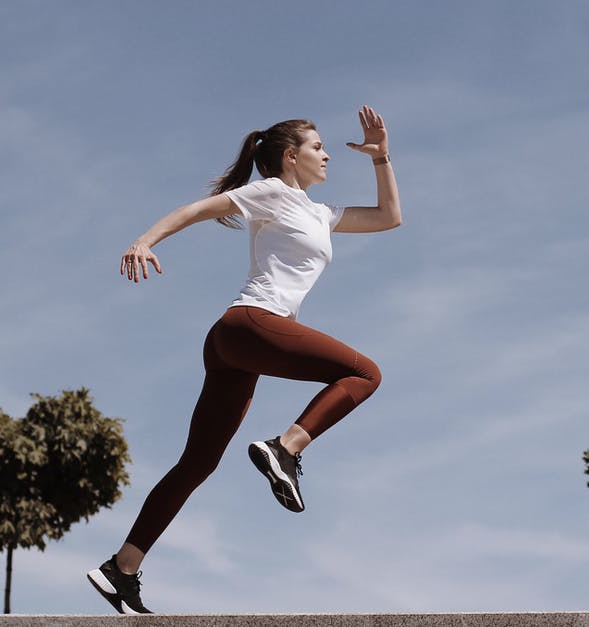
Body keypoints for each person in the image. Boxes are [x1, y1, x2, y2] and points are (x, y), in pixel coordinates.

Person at [87, 105, 401, 614]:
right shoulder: (271, 193)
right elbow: (196, 209)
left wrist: (382, 158)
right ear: (289, 156)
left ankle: (120, 569)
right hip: (250, 323)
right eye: (318, 147)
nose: (326, 155)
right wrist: (143, 241)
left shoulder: (319, 213)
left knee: (198, 462)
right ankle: (286, 448)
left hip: (237, 346)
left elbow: (389, 218)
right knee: (365, 373)